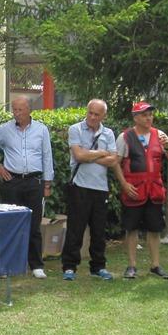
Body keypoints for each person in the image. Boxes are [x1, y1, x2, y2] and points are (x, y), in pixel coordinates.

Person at [112, 102, 168, 279]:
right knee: (131, 228)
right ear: (135, 118)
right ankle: (132, 265)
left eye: (150, 115)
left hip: (154, 189)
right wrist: (124, 184)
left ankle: (155, 265)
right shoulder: (125, 137)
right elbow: (115, 162)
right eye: (144, 115)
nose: (148, 118)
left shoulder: (160, 135)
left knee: (154, 228)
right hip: (134, 189)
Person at [0, 95, 54, 278]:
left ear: (29, 110)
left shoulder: (41, 130)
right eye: (14, 109)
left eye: (20, 110)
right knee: (9, 223)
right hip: (12, 182)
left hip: (33, 182)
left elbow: (47, 156)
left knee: (34, 225)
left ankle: (36, 265)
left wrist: (47, 183)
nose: (17, 113)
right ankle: (7, 265)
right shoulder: (5, 129)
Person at [60, 99, 117, 281]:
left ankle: (98, 266)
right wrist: (102, 153)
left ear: (103, 116)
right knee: (75, 229)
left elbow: (113, 160)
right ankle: (69, 267)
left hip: (100, 188)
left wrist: (88, 155)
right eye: (90, 112)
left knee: (99, 231)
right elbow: (78, 155)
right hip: (79, 186)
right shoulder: (75, 129)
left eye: (97, 114)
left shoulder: (108, 133)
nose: (92, 117)